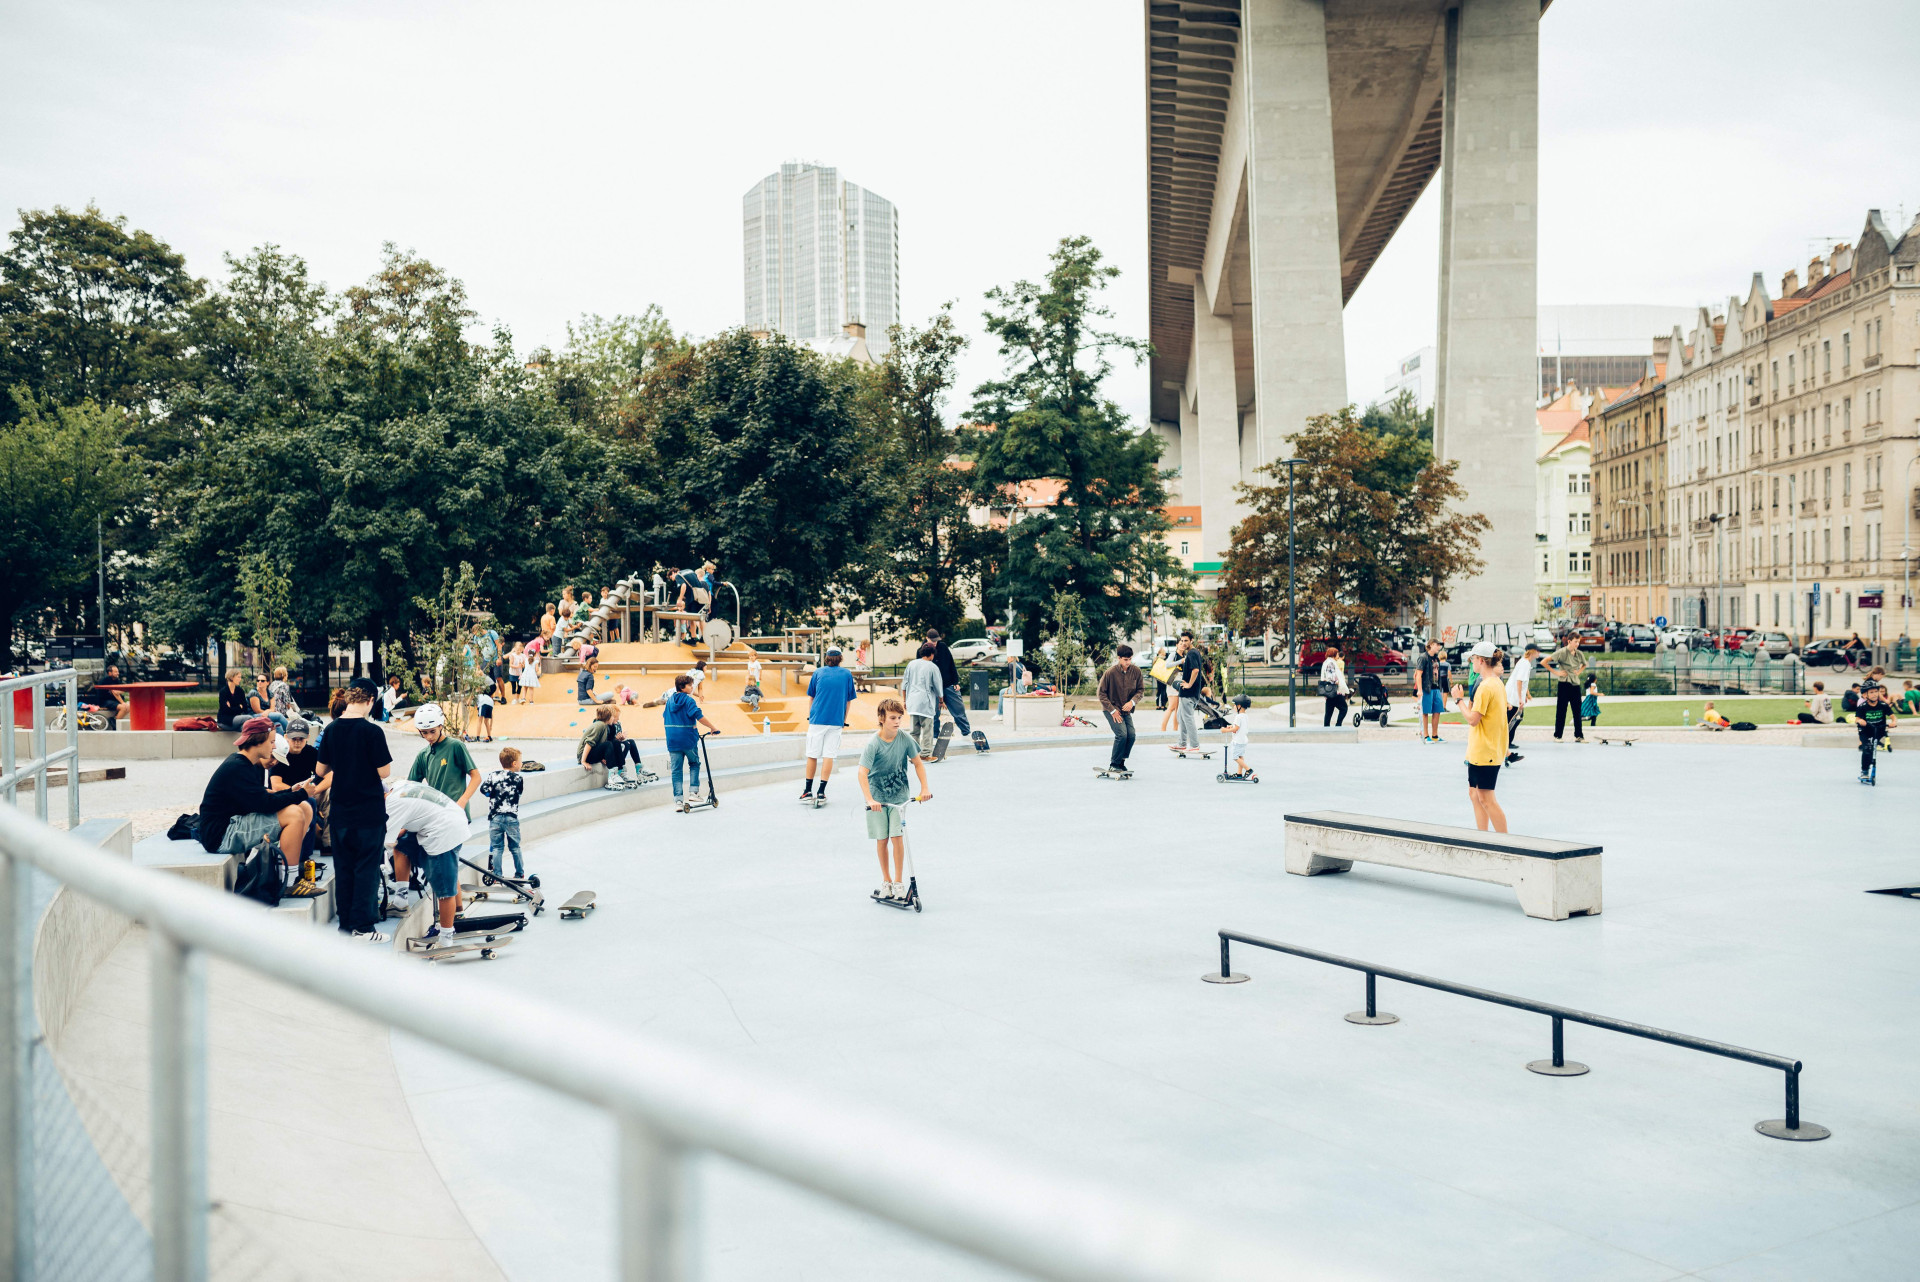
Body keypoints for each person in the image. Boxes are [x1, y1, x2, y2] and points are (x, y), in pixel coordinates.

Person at [197, 716, 315, 894]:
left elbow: (261, 798)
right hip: (222, 835)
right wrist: (300, 793)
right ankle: (288, 883)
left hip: (234, 823)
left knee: (305, 807)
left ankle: (283, 867)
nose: (274, 747)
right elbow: (264, 804)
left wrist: (292, 792)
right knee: (294, 814)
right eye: (272, 742)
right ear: (258, 741)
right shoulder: (238, 768)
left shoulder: (246, 764)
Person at [315, 679, 393, 942]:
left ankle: (346, 924)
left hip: (340, 813)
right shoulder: (372, 732)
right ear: (370, 700)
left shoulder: (332, 729)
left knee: (344, 867)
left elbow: (320, 771)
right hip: (368, 813)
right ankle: (363, 926)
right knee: (366, 869)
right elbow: (384, 771)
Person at [400, 702, 480, 907]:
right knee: (408, 848)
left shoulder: (455, 746)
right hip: (434, 817)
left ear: (441, 726)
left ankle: (453, 914)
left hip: (453, 816)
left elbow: (476, 777)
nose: (428, 736)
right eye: (423, 733)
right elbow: (410, 788)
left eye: (432, 731)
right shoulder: (423, 755)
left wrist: (462, 802)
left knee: (444, 864)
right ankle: (457, 908)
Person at [380, 776, 473, 949]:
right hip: (451, 817)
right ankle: (402, 901)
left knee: (444, 889)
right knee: (402, 845)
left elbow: (385, 842)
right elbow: (409, 820)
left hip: (443, 833)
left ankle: (446, 937)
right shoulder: (401, 786)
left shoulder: (391, 805)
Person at [858, 698, 932, 903]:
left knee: (897, 838)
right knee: (882, 840)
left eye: (899, 717)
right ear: (881, 719)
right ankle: (887, 882)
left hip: (898, 797)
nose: (897, 721)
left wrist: (924, 788)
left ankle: (899, 883)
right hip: (878, 799)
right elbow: (862, 773)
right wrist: (869, 799)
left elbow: (918, 764)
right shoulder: (873, 744)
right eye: (892, 718)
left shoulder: (905, 739)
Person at [1449, 641, 1509, 833]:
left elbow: (1473, 719)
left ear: (1481, 661)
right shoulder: (1495, 683)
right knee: (1474, 794)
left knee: (1485, 797)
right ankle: (1482, 836)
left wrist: (1458, 700)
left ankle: (1506, 842)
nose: (1471, 662)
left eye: (1473, 658)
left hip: (1486, 750)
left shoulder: (1486, 687)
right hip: (1481, 748)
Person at [644, 673, 719, 810]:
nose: (692, 687)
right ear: (682, 687)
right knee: (694, 763)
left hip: (672, 740)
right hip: (687, 738)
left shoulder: (670, 701)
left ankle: (678, 801)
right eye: (690, 685)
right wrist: (713, 728)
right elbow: (699, 715)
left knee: (676, 770)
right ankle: (693, 792)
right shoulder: (689, 700)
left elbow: (665, 716)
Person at [799, 646, 858, 801]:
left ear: (826, 658)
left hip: (817, 719)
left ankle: (807, 790)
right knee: (828, 756)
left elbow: (811, 697)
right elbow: (848, 701)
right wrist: (843, 720)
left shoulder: (818, 672)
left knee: (812, 755)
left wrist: (810, 715)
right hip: (836, 721)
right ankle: (821, 791)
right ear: (841, 659)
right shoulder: (847, 674)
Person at [269, 719, 330, 859]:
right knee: (309, 802)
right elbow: (276, 785)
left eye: (301, 739)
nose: (297, 742)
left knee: (331, 793)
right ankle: (304, 853)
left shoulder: (312, 753)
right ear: (286, 737)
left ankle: (328, 843)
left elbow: (331, 776)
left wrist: (314, 790)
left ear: (308, 738)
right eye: (293, 738)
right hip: (287, 794)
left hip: (309, 791)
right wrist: (302, 793)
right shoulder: (281, 752)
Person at [480, 746, 526, 879]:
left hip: (495, 817)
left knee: (497, 848)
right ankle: (519, 874)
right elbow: (519, 793)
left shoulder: (493, 775)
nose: (521, 764)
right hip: (511, 817)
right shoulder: (518, 779)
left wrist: (492, 794)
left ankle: (497, 875)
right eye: (520, 761)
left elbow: (484, 790)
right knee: (515, 847)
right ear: (514, 764)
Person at [1097, 644, 1142, 775]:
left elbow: (1140, 690)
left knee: (1131, 735)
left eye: (1130, 659)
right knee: (1122, 734)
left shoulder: (1136, 671)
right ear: (1119, 658)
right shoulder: (1110, 673)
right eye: (1125, 660)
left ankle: (1121, 762)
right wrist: (1112, 711)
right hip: (1110, 709)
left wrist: (1132, 702)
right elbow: (1101, 694)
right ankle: (1113, 764)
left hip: (1126, 710)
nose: (1128, 662)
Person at [578, 704, 643, 788]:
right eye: (613, 716)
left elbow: (600, 745)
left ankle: (621, 771)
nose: (615, 718)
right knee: (609, 744)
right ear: (608, 717)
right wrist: (583, 761)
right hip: (584, 756)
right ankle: (612, 776)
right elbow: (589, 743)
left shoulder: (605, 726)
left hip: (592, 753)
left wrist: (602, 757)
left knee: (615, 743)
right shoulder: (599, 725)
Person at [925, 629, 971, 742]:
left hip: (948, 684)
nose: (935, 643)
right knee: (934, 713)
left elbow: (951, 663)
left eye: (936, 641)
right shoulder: (922, 650)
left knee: (958, 709)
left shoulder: (943, 647)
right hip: (932, 688)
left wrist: (956, 681)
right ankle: (934, 736)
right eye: (932, 641)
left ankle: (966, 733)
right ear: (927, 638)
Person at [1544, 636, 1588, 743]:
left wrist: (1578, 672)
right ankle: (1558, 736)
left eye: (1578, 642)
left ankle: (1579, 736)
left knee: (1577, 712)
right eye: (1575, 641)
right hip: (1564, 684)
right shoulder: (1561, 652)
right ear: (1569, 641)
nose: (1577, 644)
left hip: (1575, 685)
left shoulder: (1579, 654)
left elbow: (1584, 664)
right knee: (1561, 711)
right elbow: (1544, 662)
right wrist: (1557, 673)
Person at [902, 642, 943, 755]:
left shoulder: (911, 664)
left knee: (914, 731)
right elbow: (938, 687)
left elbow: (904, 684)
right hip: (925, 702)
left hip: (912, 702)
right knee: (927, 729)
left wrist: (905, 701)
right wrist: (941, 701)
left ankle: (914, 754)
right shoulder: (933, 667)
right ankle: (925, 753)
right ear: (931, 654)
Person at [1169, 633, 1206, 754]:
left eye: (1186, 640)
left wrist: (1189, 684)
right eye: (1182, 641)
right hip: (1186, 692)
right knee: (1181, 717)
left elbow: (1196, 670)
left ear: (1192, 640)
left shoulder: (1192, 653)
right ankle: (1182, 744)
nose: (1184, 643)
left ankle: (1194, 745)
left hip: (1189, 693)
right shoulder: (1191, 653)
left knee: (1188, 718)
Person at [1854, 681, 1897, 782]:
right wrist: (1861, 721)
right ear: (1865, 695)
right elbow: (1857, 719)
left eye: (1876, 692)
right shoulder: (1862, 707)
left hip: (1879, 730)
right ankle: (1864, 772)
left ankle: (1868, 765)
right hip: (1866, 731)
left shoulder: (1883, 705)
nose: (1874, 694)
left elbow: (1893, 717)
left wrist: (1893, 722)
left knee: (1872, 749)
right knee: (1867, 748)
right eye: (1871, 692)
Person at [1504, 643, 1537, 765]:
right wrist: (1520, 698)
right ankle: (1506, 749)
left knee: (1513, 721)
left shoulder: (1524, 662)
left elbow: (1524, 682)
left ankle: (1507, 750)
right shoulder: (1525, 663)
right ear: (1533, 652)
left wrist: (1526, 695)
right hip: (1512, 699)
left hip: (1513, 698)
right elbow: (1519, 681)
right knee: (1508, 722)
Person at [1418, 639, 1449, 744]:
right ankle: (1426, 736)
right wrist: (1419, 689)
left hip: (1436, 688)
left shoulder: (1436, 658)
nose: (1439, 647)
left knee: (1437, 710)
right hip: (1427, 688)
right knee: (1425, 712)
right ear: (1431, 645)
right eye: (1437, 645)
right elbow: (1418, 675)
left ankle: (1435, 735)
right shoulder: (1423, 657)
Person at [1222, 693, 1256, 780]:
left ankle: (1248, 769)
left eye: (1235, 705)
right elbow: (1239, 727)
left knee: (1235, 757)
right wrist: (1231, 727)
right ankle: (1239, 774)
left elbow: (1236, 729)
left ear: (1239, 706)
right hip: (1243, 740)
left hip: (1237, 741)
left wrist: (1225, 730)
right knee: (1240, 756)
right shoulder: (1245, 716)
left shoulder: (1238, 717)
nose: (1234, 706)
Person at [1319, 643, 1349, 727]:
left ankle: (1326, 727)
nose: (1338, 656)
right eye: (1337, 654)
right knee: (1344, 708)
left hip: (1328, 690)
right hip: (1334, 690)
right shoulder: (1331, 663)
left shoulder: (1326, 662)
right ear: (1334, 655)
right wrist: (1337, 682)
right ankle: (1338, 725)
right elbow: (1330, 676)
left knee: (1329, 711)